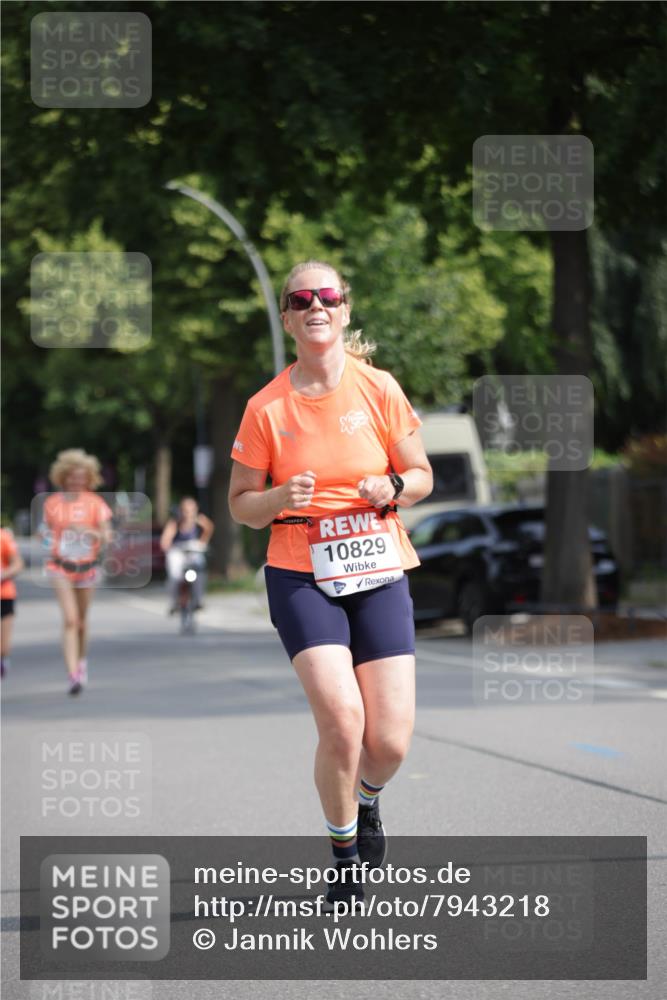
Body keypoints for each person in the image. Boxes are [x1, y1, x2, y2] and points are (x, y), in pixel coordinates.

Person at [229, 260, 433, 903]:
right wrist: (278, 496)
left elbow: (422, 475)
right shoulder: (265, 408)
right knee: (343, 721)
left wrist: (392, 485)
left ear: (344, 309)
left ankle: (366, 800)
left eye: (327, 296)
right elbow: (241, 504)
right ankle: (343, 854)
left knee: (389, 741)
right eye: (301, 299)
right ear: (288, 318)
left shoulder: (379, 388)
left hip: (378, 566)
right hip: (301, 573)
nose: (315, 305)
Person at [41, 449, 113, 695]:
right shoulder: (52, 503)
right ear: (63, 477)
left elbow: (107, 536)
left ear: (89, 478)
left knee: (81, 622)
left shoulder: (95, 503)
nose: (77, 481)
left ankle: (81, 662)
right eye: (72, 477)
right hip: (60, 566)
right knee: (70, 619)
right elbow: (45, 534)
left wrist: (88, 532)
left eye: (82, 477)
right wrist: (46, 539)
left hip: (87, 566)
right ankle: (72, 675)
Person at [160, 498, 214, 613]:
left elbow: (209, 528)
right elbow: (166, 539)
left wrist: (202, 543)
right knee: (174, 575)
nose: (188, 514)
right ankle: (173, 602)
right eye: (185, 510)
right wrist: (167, 547)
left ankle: (199, 600)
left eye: (191, 510)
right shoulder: (175, 522)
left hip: (194, 550)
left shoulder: (200, 520)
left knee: (200, 570)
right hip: (178, 551)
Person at [1, 527, 24, 678]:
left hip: (4, 595)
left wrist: (3, 574)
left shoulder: (3, 537)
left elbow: (18, 564)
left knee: (3, 647)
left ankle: (3, 660)